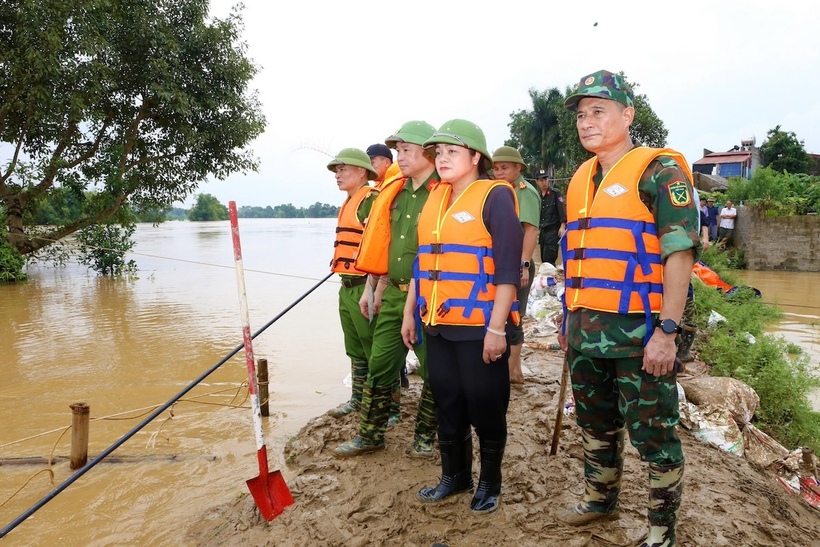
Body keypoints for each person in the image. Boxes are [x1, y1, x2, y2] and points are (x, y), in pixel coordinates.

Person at [557, 69, 700, 547]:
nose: (587, 122)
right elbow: (577, 255)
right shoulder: (581, 178)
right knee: (594, 424)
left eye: (598, 111)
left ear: (627, 115)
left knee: (654, 435)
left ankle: (661, 529)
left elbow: (679, 254)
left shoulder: (661, 172)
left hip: (640, 333)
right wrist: (567, 317)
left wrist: (668, 331)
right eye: (581, 114)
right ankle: (600, 500)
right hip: (584, 331)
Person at [402, 119, 523, 514]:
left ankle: (489, 483)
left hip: (479, 327)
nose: (443, 158)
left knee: (486, 407)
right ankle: (454, 476)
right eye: (438, 152)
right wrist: (409, 314)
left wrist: (497, 329)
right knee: (447, 404)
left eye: (453, 151)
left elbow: (507, 269)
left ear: (475, 157)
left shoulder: (495, 196)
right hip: (437, 325)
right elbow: (423, 264)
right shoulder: (435, 199)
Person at [333, 121, 440, 459]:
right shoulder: (394, 193)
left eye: (406, 150)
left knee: (434, 369)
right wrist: (371, 289)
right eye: (398, 151)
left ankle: (424, 436)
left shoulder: (444, 192)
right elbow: (382, 246)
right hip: (393, 291)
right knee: (379, 364)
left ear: (428, 152)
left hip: (432, 296)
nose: (400, 157)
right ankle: (370, 434)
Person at [325, 148, 379, 418]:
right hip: (346, 286)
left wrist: (373, 289)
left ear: (361, 172)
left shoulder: (370, 200)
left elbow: (380, 245)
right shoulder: (348, 201)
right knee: (355, 347)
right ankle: (358, 399)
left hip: (365, 285)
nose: (337, 174)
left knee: (375, 349)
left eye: (342, 169)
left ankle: (387, 406)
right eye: (336, 170)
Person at [491, 146, 541, 385]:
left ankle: (512, 372)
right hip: (501, 262)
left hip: (517, 264)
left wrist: (524, 264)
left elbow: (530, 230)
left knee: (513, 316)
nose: (499, 172)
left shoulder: (524, 192)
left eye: (505, 168)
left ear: (518, 168)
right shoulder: (499, 190)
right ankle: (512, 370)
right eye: (496, 168)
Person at [535, 169, 567, 266]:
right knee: (544, 260)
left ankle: (551, 275)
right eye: (541, 180)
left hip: (553, 231)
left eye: (545, 179)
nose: (544, 182)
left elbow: (562, 209)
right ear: (537, 182)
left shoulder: (555, 193)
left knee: (549, 260)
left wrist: (563, 225)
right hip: (543, 233)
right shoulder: (538, 196)